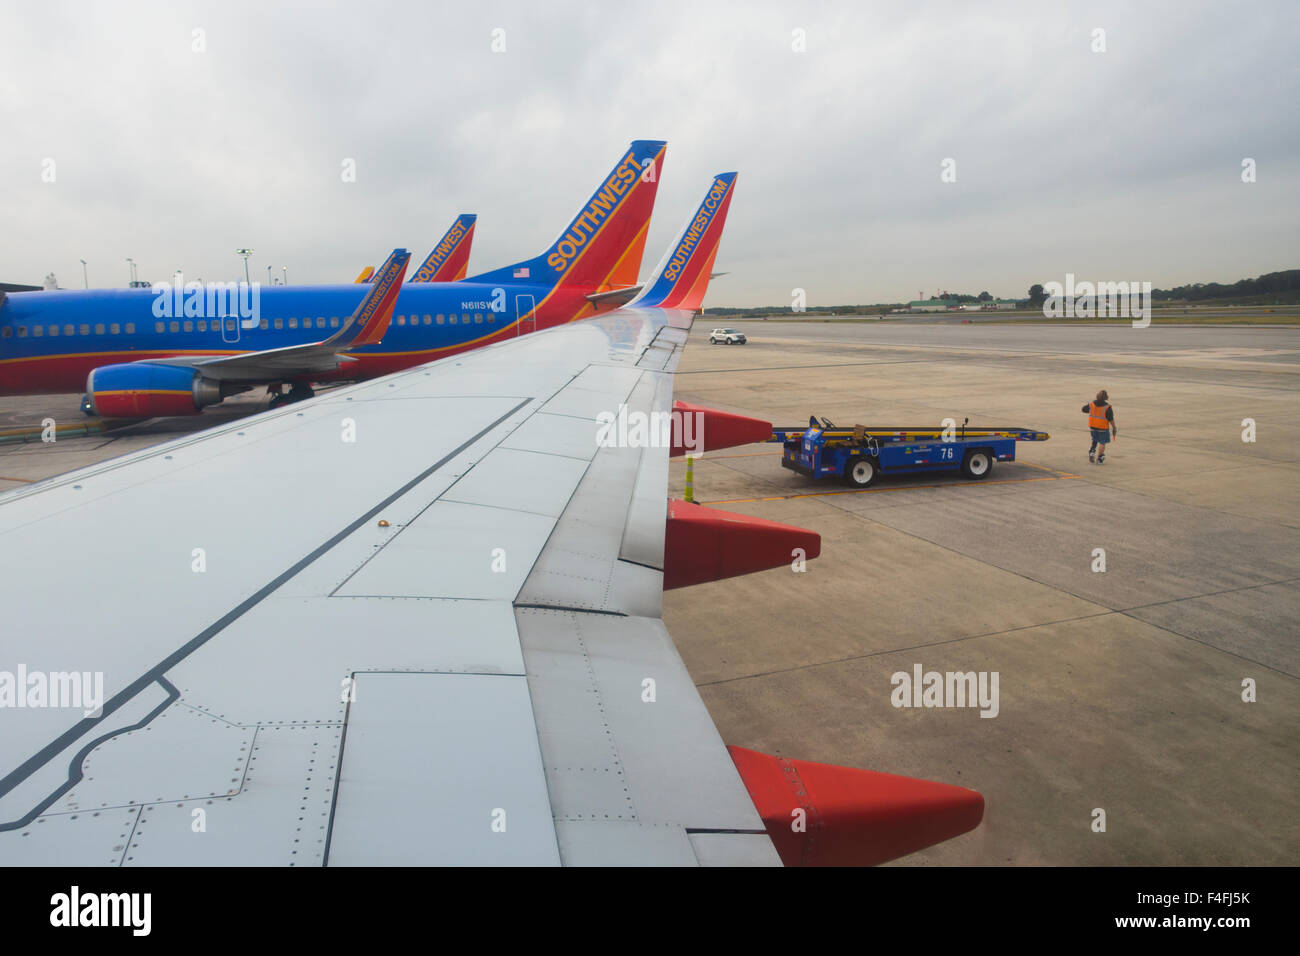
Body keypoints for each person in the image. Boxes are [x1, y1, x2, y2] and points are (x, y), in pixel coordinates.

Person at [1082, 390, 1117, 464]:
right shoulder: (1107, 407)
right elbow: (1110, 419)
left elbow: (1083, 409)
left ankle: (1092, 451)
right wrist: (1114, 427)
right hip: (1102, 428)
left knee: (1095, 439)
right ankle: (1100, 458)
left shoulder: (1092, 404)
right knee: (1102, 442)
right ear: (1106, 397)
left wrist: (1092, 411)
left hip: (1093, 426)